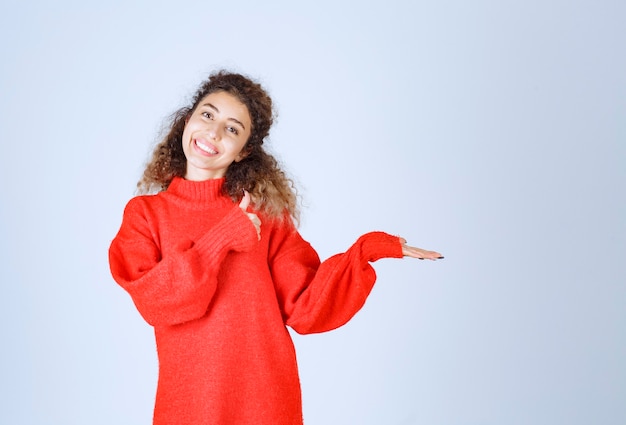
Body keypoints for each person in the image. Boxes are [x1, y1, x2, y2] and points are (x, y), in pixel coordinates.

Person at [108, 70, 443, 425]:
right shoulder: (145, 214)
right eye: (207, 114)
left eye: (233, 129)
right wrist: (223, 238)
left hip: (265, 402)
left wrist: (365, 251)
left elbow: (305, 306)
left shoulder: (264, 215)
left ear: (243, 152)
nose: (214, 132)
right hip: (190, 406)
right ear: (187, 120)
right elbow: (157, 302)